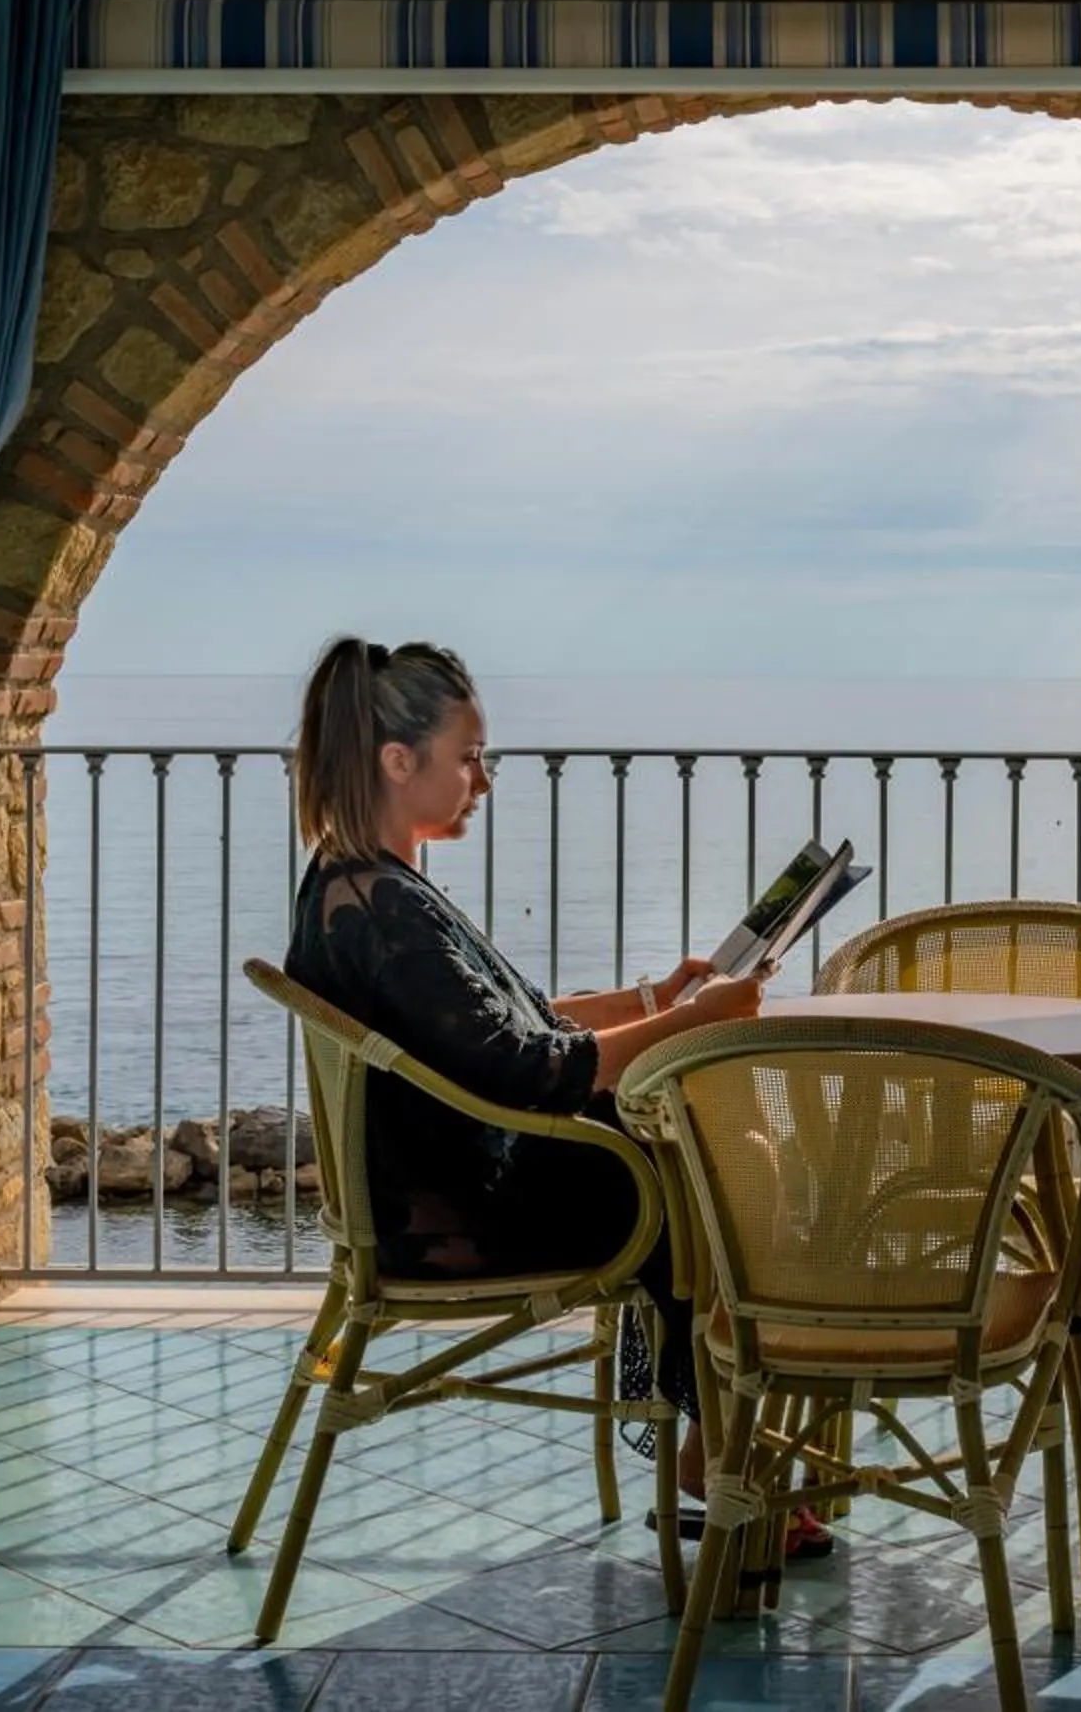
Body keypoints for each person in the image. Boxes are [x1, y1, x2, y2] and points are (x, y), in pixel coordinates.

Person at [279, 636, 826, 1554]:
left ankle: (726, 1438)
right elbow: (533, 1070)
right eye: (470, 759)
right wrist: (694, 1024)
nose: (483, 780)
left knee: (703, 1161)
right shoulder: (382, 911)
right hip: (463, 1214)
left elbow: (515, 1021)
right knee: (706, 1179)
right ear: (398, 761)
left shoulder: (368, 887)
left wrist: (660, 998)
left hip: (451, 1181)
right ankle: (733, 1447)